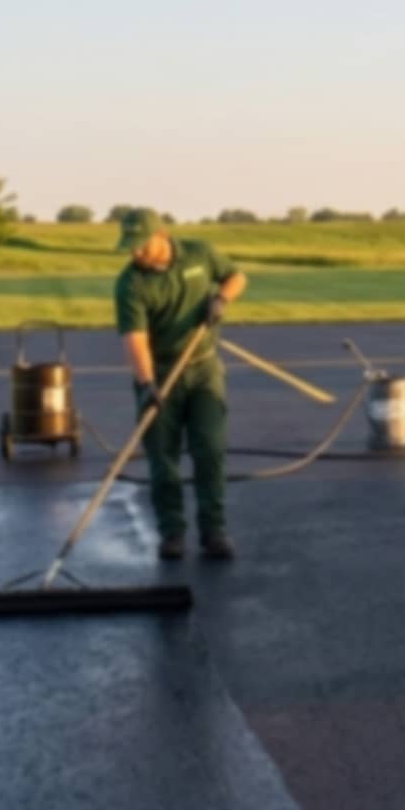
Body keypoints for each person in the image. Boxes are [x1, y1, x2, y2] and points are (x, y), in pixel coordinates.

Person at [115, 208, 248, 560]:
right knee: (163, 458)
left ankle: (213, 530)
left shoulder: (199, 253)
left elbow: (236, 276)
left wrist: (221, 299)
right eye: (131, 247)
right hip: (159, 374)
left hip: (204, 370)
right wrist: (146, 384)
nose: (136, 253)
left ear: (162, 234)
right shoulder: (130, 283)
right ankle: (171, 532)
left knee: (210, 449)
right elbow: (136, 340)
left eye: (141, 245)